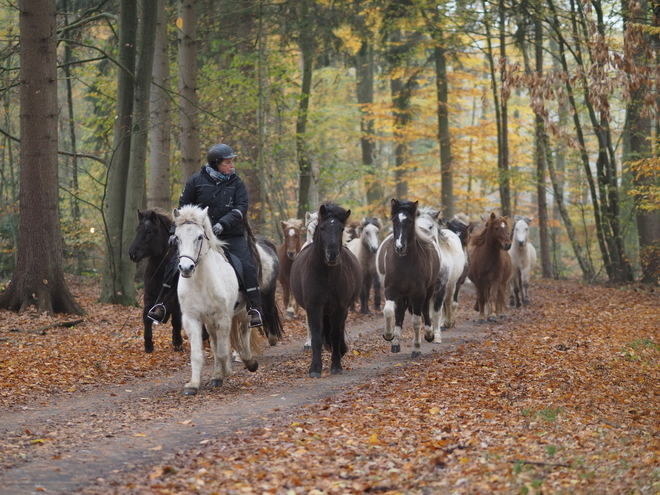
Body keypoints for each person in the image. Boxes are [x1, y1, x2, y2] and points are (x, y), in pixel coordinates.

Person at [147, 143, 263, 328]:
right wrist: (172, 232)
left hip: (230, 234)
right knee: (173, 264)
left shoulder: (237, 183)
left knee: (246, 264)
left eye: (232, 162)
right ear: (216, 163)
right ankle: (161, 305)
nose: (232, 165)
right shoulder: (195, 181)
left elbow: (241, 208)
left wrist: (223, 224)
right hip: (199, 235)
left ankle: (255, 308)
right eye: (228, 162)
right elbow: (183, 208)